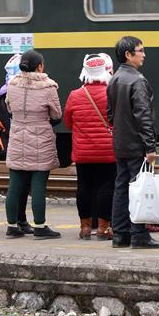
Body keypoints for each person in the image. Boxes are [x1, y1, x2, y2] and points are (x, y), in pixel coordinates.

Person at [107, 36, 159, 249]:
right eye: (140, 51)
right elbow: (144, 115)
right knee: (140, 189)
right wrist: (150, 146)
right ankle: (139, 235)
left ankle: (120, 235)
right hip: (137, 145)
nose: (144, 54)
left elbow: (110, 114)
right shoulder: (138, 81)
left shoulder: (114, 79)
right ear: (128, 55)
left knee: (121, 188)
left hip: (120, 143)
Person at [4, 50, 62, 239]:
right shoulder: (48, 87)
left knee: (15, 183)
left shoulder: (11, 85)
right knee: (38, 184)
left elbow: (10, 108)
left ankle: (12, 226)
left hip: (18, 134)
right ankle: (40, 226)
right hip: (40, 138)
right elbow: (56, 115)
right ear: (40, 66)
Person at [64, 53, 116, 240]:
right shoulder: (112, 93)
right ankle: (103, 228)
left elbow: (69, 123)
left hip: (83, 151)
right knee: (106, 188)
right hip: (108, 152)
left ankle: (85, 228)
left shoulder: (75, 95)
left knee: (84, 187)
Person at [0, 53, 33, 234]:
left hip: (14, 143)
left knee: (20, 184)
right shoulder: (11, 92)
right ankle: (16, 222)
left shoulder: (4, 91)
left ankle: (18, 222)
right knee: (19, 185)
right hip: (18, 143)